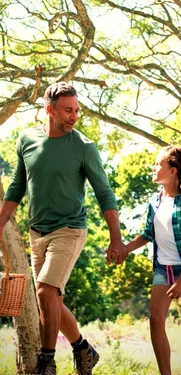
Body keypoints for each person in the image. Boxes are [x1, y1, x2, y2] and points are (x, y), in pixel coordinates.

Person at [0, 82, 126, 375]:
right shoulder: (26, 141)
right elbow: (17, 187)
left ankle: (47, 362)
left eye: (77, 110)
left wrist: (116, 239)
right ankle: (83, 349)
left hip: (69, 229)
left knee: (44, 292)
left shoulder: (84, 147)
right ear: (49, 110)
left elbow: (105, 194)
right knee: (51, 298)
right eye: (68, 110)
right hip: (37, 233)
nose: (74, 116)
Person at [124, 145, 181, 375]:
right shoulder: (154, 201)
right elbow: (148, 234)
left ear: (173, 171)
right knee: (156, 319)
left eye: (158, 164)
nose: (154, 167)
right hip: (162, 269)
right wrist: (125, 248)